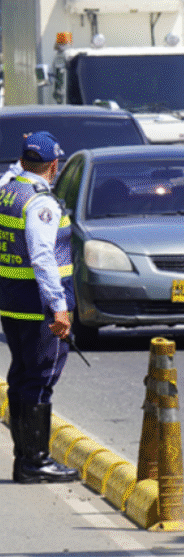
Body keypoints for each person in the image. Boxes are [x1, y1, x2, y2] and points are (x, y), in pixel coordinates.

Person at [0, 130, 79, 483]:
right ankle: (35, 461)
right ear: (55, 165)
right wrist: (59, 306)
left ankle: (24, 460)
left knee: (20, 376)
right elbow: (43, 257)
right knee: (40, 379)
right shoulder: (40, 202)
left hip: (11, 301)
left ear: (23, 161)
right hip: (38, 306)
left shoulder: (8, 190)